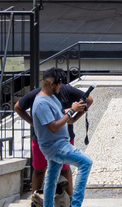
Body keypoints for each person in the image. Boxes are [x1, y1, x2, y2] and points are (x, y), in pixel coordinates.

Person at [14, 82, 93, 200]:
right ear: (52, 84)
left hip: (63, 140)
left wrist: (75, 118)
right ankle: (37, 201)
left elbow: (89, 100)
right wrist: (33, 122)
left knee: (63, 170)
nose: (60, 86)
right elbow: (18, 107)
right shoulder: (39, 95)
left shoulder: (66, 90)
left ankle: (68, 200)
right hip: (43, 140)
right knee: (40, 170)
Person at [31, 67, 92, 207]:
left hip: (56, 144)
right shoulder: (41, 103)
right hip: (55, 146)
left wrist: (76, 109)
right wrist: (71, 111)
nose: (61, 87)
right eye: (60, 84)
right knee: (86, 162)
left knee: (51, 178)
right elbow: (53, 127)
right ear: (52, 84)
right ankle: (75, 204)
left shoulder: (51, 98)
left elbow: (61, 114)